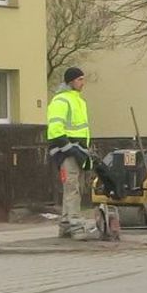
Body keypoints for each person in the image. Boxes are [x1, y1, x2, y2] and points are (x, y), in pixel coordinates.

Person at [46, 66, 91, 238]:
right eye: (80, 79)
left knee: (72, 187)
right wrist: (70, 148)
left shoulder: (78, 101)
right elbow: (55, 129)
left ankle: (66, 224)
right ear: (71, 81)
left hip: (76, 150)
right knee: (72, 188)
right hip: (68, 151)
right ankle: (75, 225)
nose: (82, 83)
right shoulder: (61, 101)